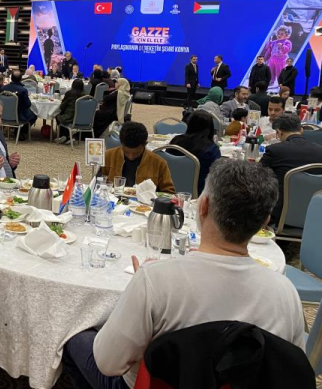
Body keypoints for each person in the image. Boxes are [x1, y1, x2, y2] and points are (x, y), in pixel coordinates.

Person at [63, 159, 304, 389]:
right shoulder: (285, 293)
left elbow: (108, 364)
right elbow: (291, 370)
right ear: (264, 222)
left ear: (203, 205)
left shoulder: (155, 280)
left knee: (73, 334)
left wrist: (141, 289)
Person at [261, 113, 322, 225]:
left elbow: (256, 176)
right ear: (301, 130)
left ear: (279, 132)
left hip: (280, 217)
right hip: (318, 217)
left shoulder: (274, 151)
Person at [100, 122, 175, 193]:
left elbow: (169, 193)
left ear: (145, 144)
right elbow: (98, 183)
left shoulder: (158, 163)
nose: (131, 157)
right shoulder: (108, 156)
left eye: (136, 153)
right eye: (126, 152)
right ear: (121, 144)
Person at [169, 111, 221, 191]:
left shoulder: (175, 141)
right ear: (210, 128)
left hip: (170, 189)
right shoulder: (211, 149)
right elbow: (217, 175)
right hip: (200, 192)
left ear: (189, 124)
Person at [55, 79, 87, 143]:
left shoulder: (70, 93)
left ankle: (64, 135)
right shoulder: (86, 95)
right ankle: (67, 136)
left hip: (70, 118)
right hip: (82, 119)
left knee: (57, 115)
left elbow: (62, 107)